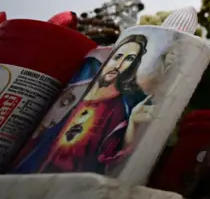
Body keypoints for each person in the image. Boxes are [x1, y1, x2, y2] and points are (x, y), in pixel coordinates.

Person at [39, 35, 148, 174]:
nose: (119, 65)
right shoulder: (75, 90)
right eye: (117, 56)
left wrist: (133, 125)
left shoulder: (119, 108)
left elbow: (113, 159)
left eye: (129, 59)